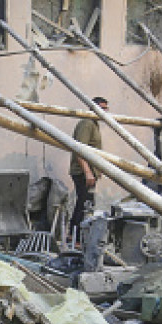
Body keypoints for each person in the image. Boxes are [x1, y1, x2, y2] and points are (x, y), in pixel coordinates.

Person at [69, 96, 108, 233]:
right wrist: (88, 172)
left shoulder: (94, 124)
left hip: (90, 171)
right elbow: (80, 150)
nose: (104, 112)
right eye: (101, 109)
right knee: (84, 204)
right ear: (92, 108)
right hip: (82, 172)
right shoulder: (87, 123)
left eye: (105, 109)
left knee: (86, 203)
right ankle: (75, 236)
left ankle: (75, 235)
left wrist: (98, 170)